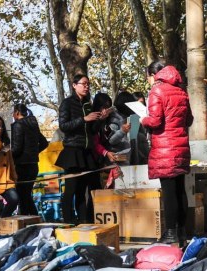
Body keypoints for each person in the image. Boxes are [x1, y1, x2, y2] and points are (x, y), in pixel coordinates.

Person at [141, 60, 194, 245]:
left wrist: (143, 120)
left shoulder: (157, 90)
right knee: (180, 191)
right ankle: (182, 232)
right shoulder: (181, 90)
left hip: (165, 148)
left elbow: (155, 121)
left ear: (154, 75)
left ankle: (170, 232)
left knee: (169, 192)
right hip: (181, 147)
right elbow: (189, 120)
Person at [55, 74, 115, 224]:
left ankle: (83, 221)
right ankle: (68, 221)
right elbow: (63, 126)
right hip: (72, 150)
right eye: (83, 84)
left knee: (83, 190)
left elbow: (92, 131)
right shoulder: (67, 104)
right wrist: (83, 119)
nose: (86, 86)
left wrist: (101, 119)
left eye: (88, 84)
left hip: (87, 151)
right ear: (74, 85)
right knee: (71, 189)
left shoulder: (88, 104)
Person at [11, 104, 49, 215]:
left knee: (22, 196)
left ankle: (28, 221)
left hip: (22, 165)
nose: (13, 116)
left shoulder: (18, 125)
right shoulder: (33, 125)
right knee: (26, 195)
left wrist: (8, 156)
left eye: (13, 113)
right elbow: (44, 143)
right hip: (33, 165)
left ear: (17, 112)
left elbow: (17, 148)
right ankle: (34, 218)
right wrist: (33, 153)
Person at [97, 93, 131, 166]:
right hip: (116, 158)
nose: (106, 110)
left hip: (126, 156)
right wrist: (122, 132)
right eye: (104, 107)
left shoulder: (126, 117)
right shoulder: (114, 120)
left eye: (108, 107)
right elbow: (110, 140)